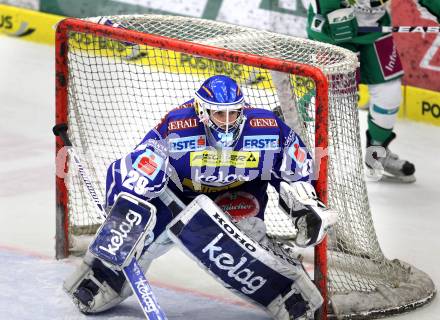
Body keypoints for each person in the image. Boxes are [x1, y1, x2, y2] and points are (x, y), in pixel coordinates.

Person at [63, 75, 337, 320]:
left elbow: (295, 166)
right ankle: (103, 278)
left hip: (237, 195)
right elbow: (141, 162)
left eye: (234, 114)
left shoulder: (265, 127)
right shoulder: (178, 126)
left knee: (247, 241)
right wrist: (128, 201)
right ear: (202, 111)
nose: (229, 122)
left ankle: (288, 292)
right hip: (180, 196)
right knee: (137, 230)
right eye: (220, 114)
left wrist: (305, 203)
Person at [306, 0, 431, 183]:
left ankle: (377, 154)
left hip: (374, 30)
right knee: (335, 103)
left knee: (389, 96)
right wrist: (330, 12)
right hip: (332, 31)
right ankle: (301, 152)